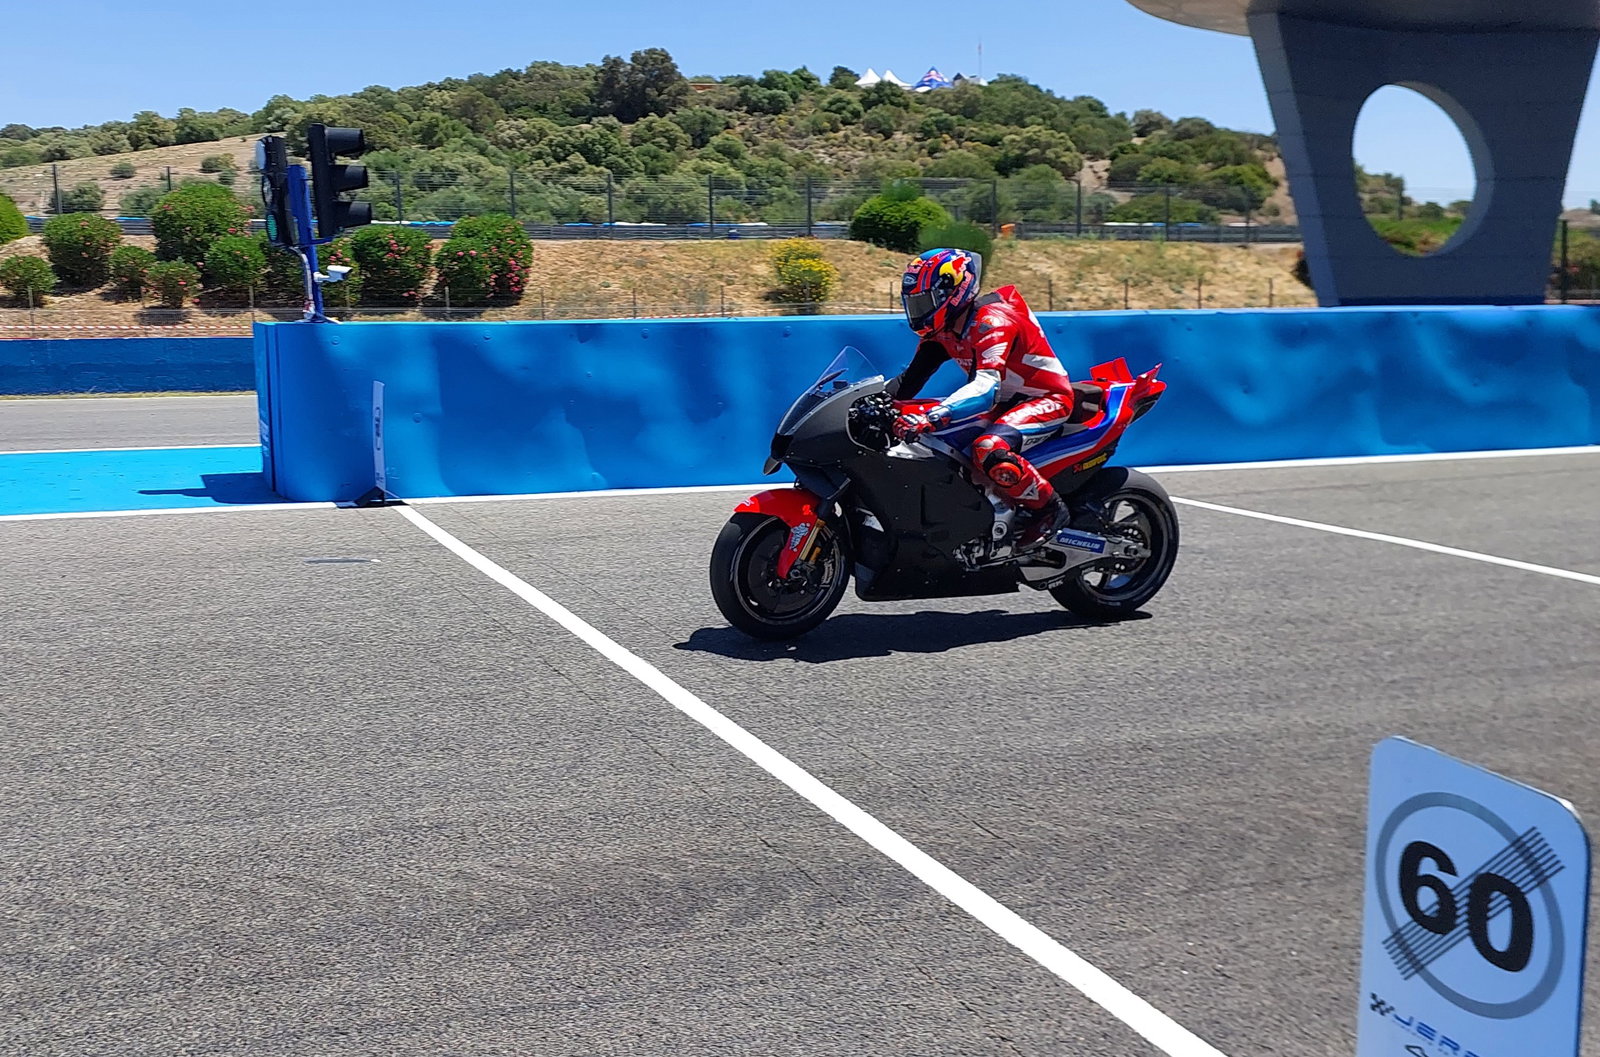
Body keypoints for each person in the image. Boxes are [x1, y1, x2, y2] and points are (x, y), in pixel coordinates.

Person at [887, 247, 1078, 549]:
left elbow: (986, 387)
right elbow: (906, 384)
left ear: (954, 293)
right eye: (913, 303)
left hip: (1045, 398)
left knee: (988, 448)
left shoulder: (993, 322)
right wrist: (865, 400)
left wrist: (934, 416)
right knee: (916, 422)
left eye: (924, 302)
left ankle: (1050, 510)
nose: (918, 310)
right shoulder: (942, 331)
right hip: (1004, 402)